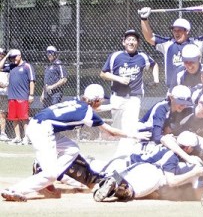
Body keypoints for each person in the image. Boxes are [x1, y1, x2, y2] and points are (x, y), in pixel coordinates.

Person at [0, 84, 151, 202]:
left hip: (40, 125)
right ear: (97, 100)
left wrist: (111, 106)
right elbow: (110, 132)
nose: (102, 102)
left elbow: (91, 109)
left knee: (72, 148)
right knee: (50, 174)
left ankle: (49, 175)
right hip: (43, 131)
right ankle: (15, 190)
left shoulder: (76, 102)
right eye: (101, 100)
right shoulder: (88, 112)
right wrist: (133, 135)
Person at [93, 131, 203, 202]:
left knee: (105, 177)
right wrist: (195, 172)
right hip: (151, 173)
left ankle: (111, 181)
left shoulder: (170, 144)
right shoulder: (173, 155)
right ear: (188, 148)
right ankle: (114, 185)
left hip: (133, 164)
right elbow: (172, 182)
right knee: (129, 191)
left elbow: (167, 139)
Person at [100, 29, 159, 157]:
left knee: (130, 126)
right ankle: (117, 152)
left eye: (134, 40)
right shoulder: (115, 56)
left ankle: (124, 156)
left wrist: (156, 80)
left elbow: (154, 65)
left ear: (137, 43)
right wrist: (118, 78)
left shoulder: (142, 57)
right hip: (117, 98)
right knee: (118, 127)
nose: (131, 42)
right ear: (123, 42)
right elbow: (103, 74)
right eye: (129, 39)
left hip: (134, 98)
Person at [139, 7, 203, 88]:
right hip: (173, 89)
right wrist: (144, 19)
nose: (176, 33)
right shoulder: (167, 44)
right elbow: (149, 37)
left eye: (180, 30)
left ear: (187, 31)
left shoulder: (196, 43)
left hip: (194, 88)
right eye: (174, 30)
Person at [0, 49, 36, 145]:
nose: (13, 59)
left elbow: (32, 81)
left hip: (23, 97)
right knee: (14, 118)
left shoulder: (27, 66)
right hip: (12, 97)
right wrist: (7, 56)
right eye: (12, 57)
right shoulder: (11, 66)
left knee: (24, 118)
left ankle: (26, 138)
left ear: (20, 55)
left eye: (14, 56)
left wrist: (31, 95)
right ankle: (18, 137)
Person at [0, 48, 10, 141]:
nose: (0, 55)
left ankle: (2, 133)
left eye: (2, 54)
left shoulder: (8, 65)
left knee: (2, 113)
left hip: (4, 93)